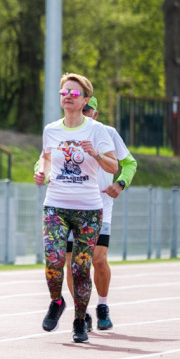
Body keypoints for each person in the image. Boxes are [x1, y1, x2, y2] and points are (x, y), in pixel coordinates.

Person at [34, 74, 118, 344]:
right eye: (64, 92)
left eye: (74, 93)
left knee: (81, 268)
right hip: (55, 205)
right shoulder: (51, 130)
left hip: (88, 210)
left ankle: (80, 320)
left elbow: (113, 166)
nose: (68, 96)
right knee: (54, 260)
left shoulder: (97, 130)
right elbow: (46, 157)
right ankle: (56, 301)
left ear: (85, 99)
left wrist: (95, 154)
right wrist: (42, 171)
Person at [82, 95, 137, 329]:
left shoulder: (108, 133)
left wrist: (121, 183)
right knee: (75, 264)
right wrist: (43, 174)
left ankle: (102, 305)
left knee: (98, 259)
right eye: (81, 109)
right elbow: (45, 160)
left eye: (87, 110)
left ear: (95, 113)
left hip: (101, 206)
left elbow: (130, 163)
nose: (83, 113)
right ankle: (81, 311)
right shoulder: (63, 132)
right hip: (72, 206)